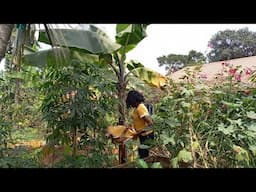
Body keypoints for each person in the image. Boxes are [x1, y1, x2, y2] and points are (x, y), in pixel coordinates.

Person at [126, 90, 154, 159]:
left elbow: (150, 123)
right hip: (142, 135)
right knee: (142, 154)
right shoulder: (138, 108)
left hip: (146, 135)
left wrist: (139, 132)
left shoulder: (140, 108)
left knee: (144, 156)